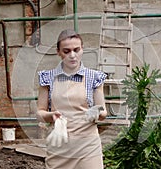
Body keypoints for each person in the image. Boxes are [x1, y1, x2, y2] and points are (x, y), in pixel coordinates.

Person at [36, 29, 108, 169]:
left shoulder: (94, 77)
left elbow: (103, 112)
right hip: (59, 146)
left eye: (76, 50)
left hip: (88, 146)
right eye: (66, 51)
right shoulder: (47, 78)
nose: (72, 55)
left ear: (82, 49)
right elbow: (40, 112)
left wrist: (97, 111)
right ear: (58, 52)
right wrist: (51, 116)